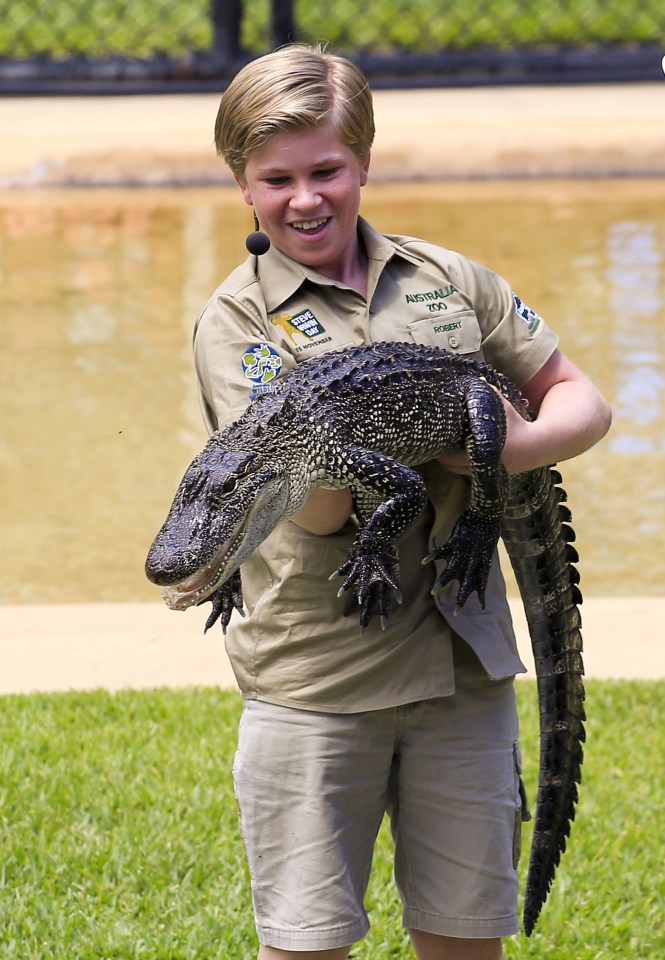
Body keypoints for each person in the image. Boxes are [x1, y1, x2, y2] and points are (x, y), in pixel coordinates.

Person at [192, 44, 612, 960]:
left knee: (465, 940)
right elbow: (317, 513)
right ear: (243, 186)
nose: (306, 197)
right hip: (319, 677)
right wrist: (385, 446)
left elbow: (580, 398)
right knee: (308, 943)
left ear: (363, 165)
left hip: (463, 666)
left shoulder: (447, 280)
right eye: (278, 178)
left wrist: (496, 450)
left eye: (326, 170)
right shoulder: (238, 325)